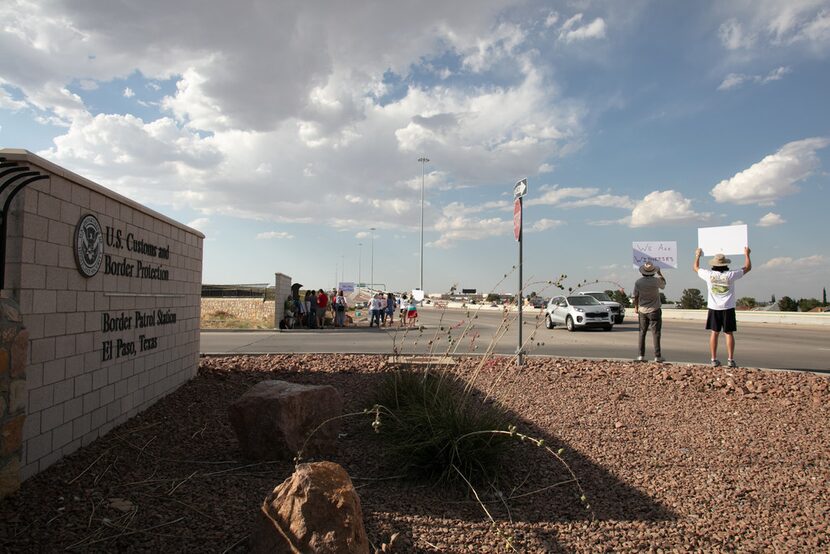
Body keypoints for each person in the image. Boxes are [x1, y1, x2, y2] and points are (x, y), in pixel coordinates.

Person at [694, 247, 752, 368]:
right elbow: (747, 268)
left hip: (714, 308)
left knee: (714, 333)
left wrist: (697, 256)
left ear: (714, 265)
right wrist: (747, 254)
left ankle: (713, 359)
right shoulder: (730, 275)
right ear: (725, 264)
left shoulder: (709, 275)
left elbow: (695, 268)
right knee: (728, 333)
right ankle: (730, 359)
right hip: (728, 307)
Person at [632, 261, 667, 363]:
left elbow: (635, 296)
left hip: (642, 310)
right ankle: (657, 356)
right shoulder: (656, 281)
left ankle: (640, 355)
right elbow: (664, 284)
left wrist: (636, 307)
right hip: (655, 309)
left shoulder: (638, 282)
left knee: (642, 333)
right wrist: (660, 273)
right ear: (653, 272)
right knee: (656, 333)